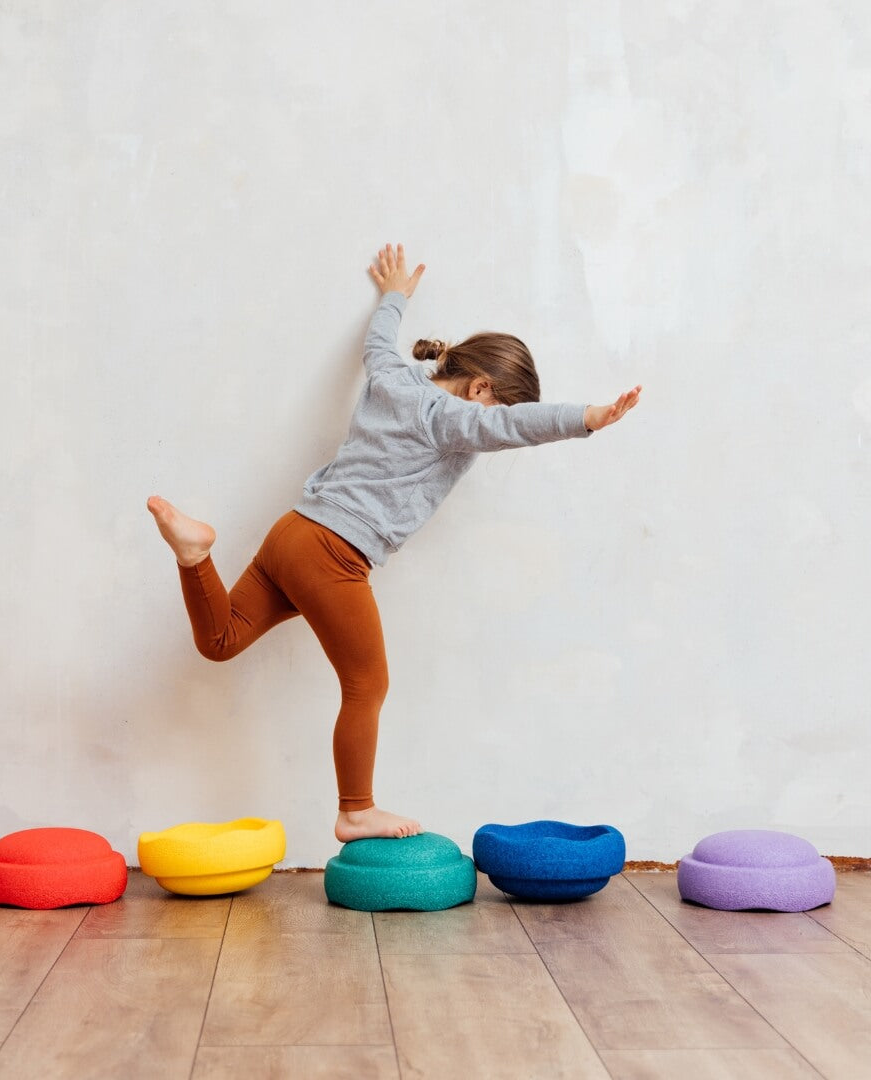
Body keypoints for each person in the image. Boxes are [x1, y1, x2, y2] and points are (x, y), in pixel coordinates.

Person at [148, 243, 641, 843]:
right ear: (481, 390)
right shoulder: (451, 417)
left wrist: (395, 298)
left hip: (292, 532)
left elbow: (377, 345)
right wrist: (588, 417)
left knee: (221, 640)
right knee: (368, 686)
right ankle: (355, 810)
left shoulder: (394, 377)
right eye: (496, 409)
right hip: (334, 554)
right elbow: (509, 427)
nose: (489, 432)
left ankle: (195, 555)